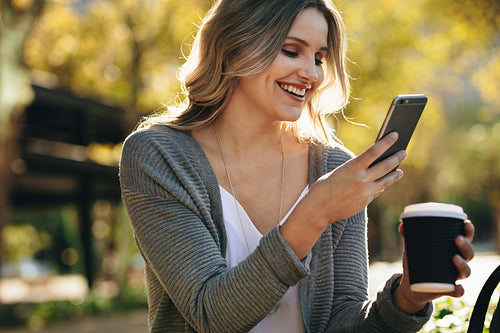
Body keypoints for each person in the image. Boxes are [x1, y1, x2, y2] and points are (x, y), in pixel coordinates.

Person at [119, 0, 475, 332]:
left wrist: (406, 299)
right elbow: (209, 313)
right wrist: (316, 211)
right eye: (291, 51)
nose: (311, 74)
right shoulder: (158, 155)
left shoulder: (335, 168)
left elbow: (344, 318)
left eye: (319, 57)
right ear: (233, 46)